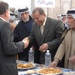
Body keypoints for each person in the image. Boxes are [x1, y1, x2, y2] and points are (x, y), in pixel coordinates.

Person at [0, 1, 29, 75]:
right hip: (4, 68)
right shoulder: (4, 25)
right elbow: (9, 49)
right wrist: (23, 44)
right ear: (6, 12)